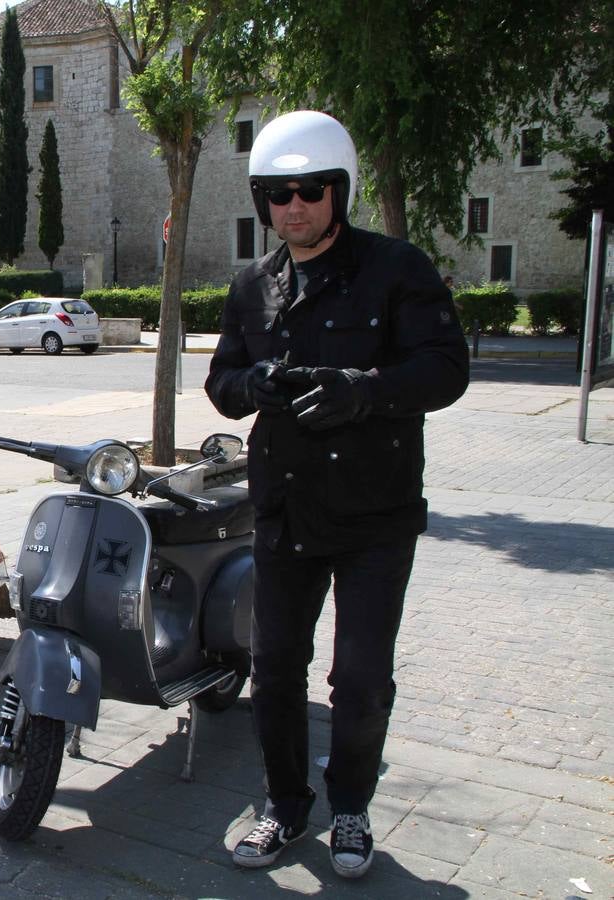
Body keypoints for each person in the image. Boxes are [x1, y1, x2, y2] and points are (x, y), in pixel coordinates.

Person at [204, 110, 468, 879]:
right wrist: (249, 383)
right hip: (285, 509)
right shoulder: (253, 285)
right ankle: (285, 808)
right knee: (275, 665)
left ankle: (350, 807)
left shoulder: (396, 269)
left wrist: (365, 390)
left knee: (358, 675)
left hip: (374, 515)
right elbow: (221, 383)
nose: (296, 206)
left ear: (340, 191)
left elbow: (445, 369)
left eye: (312, 190)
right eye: (279, 193)